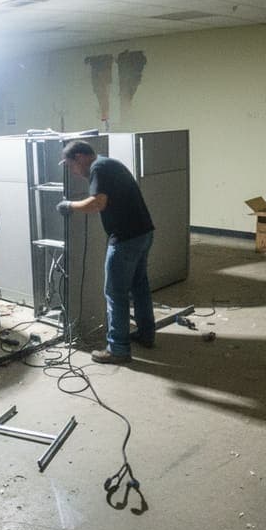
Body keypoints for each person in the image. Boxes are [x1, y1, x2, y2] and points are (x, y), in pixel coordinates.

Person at [57, 139, 155, 364]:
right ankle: (146, 334)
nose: (72, 171)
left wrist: (69, 205)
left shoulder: (98, 168)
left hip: (126, 239)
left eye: (71, 166)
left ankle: (118, 349)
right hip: (143, 233)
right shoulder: (109, 164)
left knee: (115, 293)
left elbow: (97, 203)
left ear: (80, 157)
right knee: (139, 286)